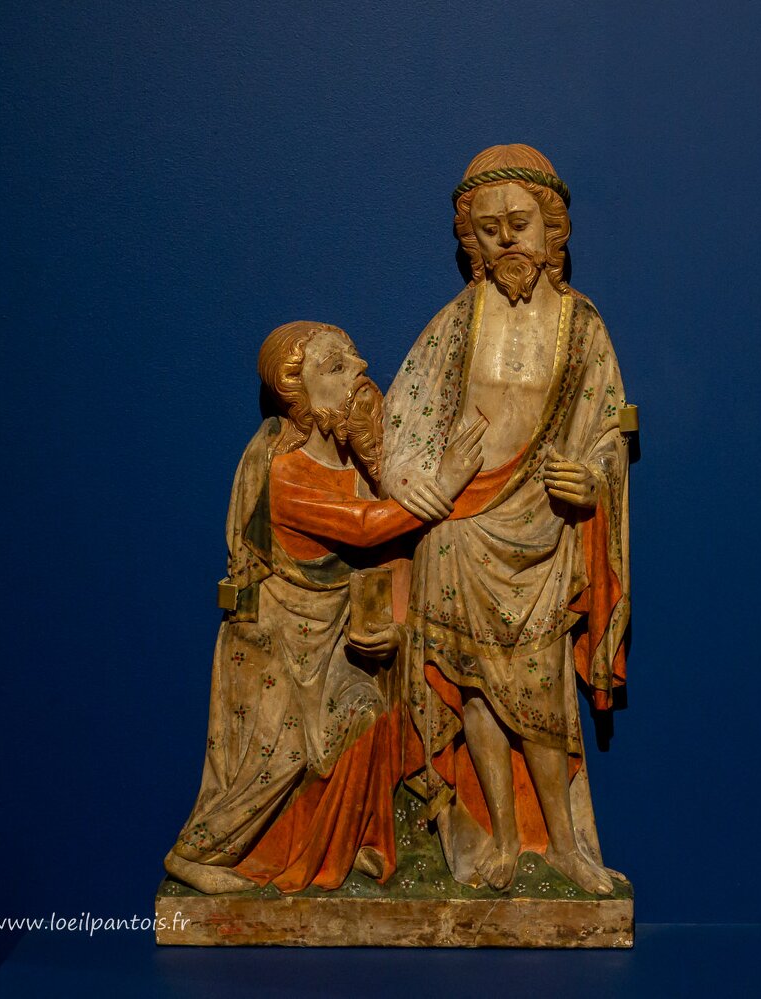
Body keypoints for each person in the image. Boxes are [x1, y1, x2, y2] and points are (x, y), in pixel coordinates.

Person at [383, 144, 630, 895]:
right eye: (488, 231)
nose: (506, 242)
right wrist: (418, 483)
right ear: (472, 242)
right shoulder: (456, 324)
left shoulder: (582, 328)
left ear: (554, 230)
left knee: (541, 692)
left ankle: (565, 844)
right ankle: (501, 837)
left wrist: (592, 478)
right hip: (459, 534)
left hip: (541, 535)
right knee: (474, 689)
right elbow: (398, 426)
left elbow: (609, 430)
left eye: (519, 224)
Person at [164, 321, 481, 894]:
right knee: (276, 759)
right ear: (300, 399)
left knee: (366, 714)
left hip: (330, 650)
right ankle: (195, 853)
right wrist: (448, 482)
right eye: (335, 367)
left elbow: (386, 559)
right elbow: (364, 528)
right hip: (274, 652)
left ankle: (341, 843)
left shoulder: (360, 470)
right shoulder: (285, 474)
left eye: (354, 359)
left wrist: (394, 630)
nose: (359, 371)